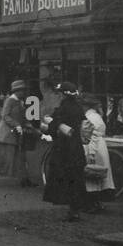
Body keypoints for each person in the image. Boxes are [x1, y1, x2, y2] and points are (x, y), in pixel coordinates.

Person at [41, 80, 93, 221]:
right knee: (76, 179)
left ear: (63, 95)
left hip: (64, 150)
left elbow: (54, 126)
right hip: (76, 148)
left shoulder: (63, 108)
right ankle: (76, 209)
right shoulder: (78, 107)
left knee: (64, 178)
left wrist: (48, 123)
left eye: (60, 93)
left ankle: (73, 211)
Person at [0, 80, 31, 187]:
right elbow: (5, 116)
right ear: (17, 91)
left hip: (12, 135)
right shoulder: (10, 101)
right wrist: (17, 125)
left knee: (19, 158)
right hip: (4, 135)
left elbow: (22, 117)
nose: (23, 93)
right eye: (22, 90)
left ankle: (24, 180)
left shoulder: (19, 102)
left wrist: (28, 125)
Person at [80, 95, 115, 204]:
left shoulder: (91, 117)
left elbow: (93, 137)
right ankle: (96, 202)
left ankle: (93, 202)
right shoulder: (94, 116)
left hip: (95, 147)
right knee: (97, 175)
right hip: (98, 146)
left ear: (86, 106)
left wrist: (91, 153)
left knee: (93, 174)